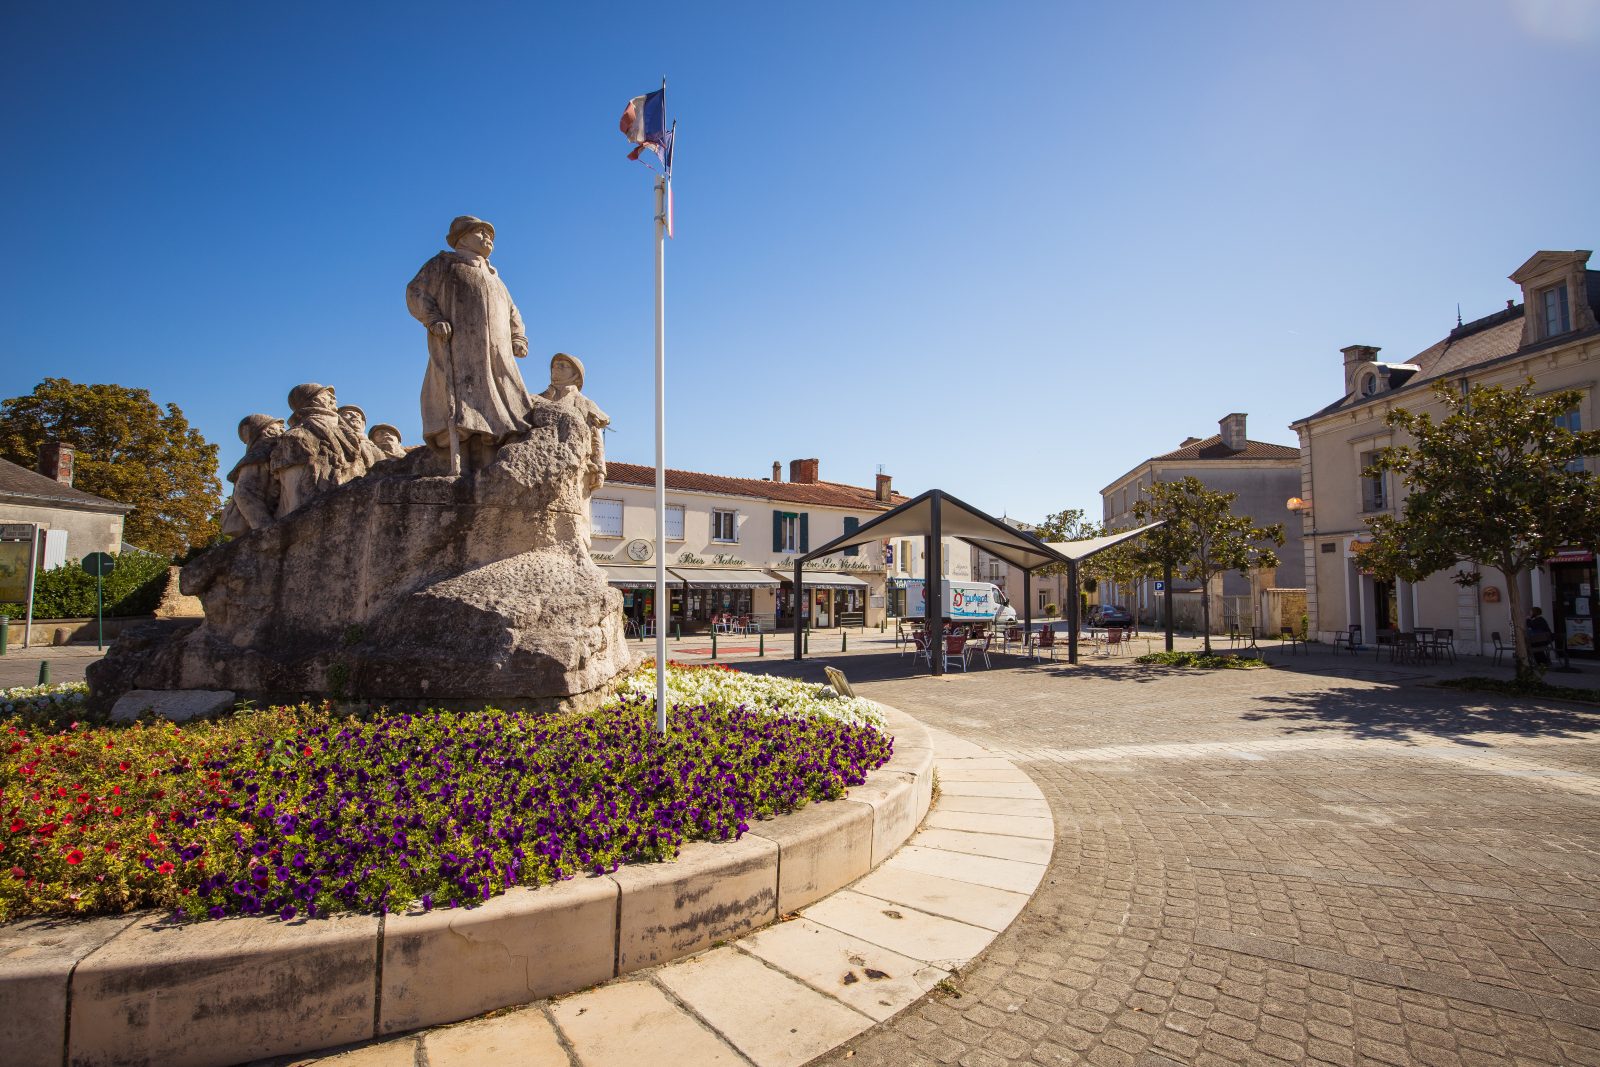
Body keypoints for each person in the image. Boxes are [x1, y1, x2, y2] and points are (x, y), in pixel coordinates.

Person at [406, 215, 534, 472]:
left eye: (491, 236)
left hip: (498, 353)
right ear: (461, 238)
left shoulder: (496, 277)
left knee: (505, 402)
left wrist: (518, 336)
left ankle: (495, 452)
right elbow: (415, 292)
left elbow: (513, 312)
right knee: (462, 402)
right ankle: (460, 460)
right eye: (481, 233)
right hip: (461, 346)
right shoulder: (443, 264)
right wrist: (433, 319)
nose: (488, 239)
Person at [536, 352, 610, 493]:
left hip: (575, 473)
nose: (556, 368)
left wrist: (600, 470)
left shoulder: (585, 403)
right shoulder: (536, 399)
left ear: (576, 375)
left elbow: (595, 438)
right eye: (554, 365)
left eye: (563, 365)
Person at [220, 414, 285, 535]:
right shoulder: (258, 456)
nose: (282, 429)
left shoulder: (275, 451)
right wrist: (266, 528)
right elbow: (244, 493)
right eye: (277, 427)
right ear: (265, 431)